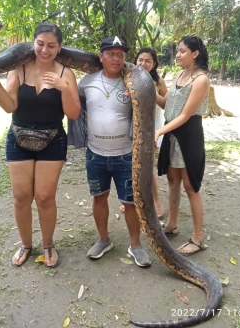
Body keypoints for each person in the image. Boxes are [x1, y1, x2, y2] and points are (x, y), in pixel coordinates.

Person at [0, 22, 81, 267]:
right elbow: (9, 106)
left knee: (45, 197)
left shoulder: (66, 74)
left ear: (59, 47)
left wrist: (64, 88)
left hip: (52, 139)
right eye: (40, 44)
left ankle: (48, 244)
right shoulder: (19, 68)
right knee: (21, 196)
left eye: (51, 45)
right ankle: (25, 244)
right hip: (18, 138)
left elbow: (73, 113)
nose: (45, 50)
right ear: (33, 43)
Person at [72, 36, 151, 267]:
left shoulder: (134, 83)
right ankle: (103, 240)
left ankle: (135, 245)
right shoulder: (87, 81)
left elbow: (146, 115)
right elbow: (77, 108)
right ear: (101, 56)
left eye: (120, 54)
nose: (116, 58)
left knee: (130, 202)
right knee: (99, 197)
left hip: (126, 155)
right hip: (95, 154)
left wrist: (136, 100)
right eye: (111, 53)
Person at [155, 35, 209, 255]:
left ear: (195, 53)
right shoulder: (179, 75)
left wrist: (160, 131)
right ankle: (172, 224)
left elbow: (186, 115)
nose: (177, 54)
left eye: (182, 51)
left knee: (190, 187)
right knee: (172, 180)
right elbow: (167, 105)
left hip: (188, 135)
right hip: (172, 133)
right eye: (177, 50)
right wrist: (151, 90)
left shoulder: (201, 80)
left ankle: (197, 238)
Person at [120, 48, 168, 218]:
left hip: (151, 128)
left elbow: (166, 106)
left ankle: (156, 202)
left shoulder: (158, 81)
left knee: (147, 167)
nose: (143, 64)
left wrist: (152, 93)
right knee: (129, 164)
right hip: (130, 126)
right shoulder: (128, 77)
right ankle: (129, 200)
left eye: (148, 61)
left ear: (154, 64)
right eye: (140, 60)